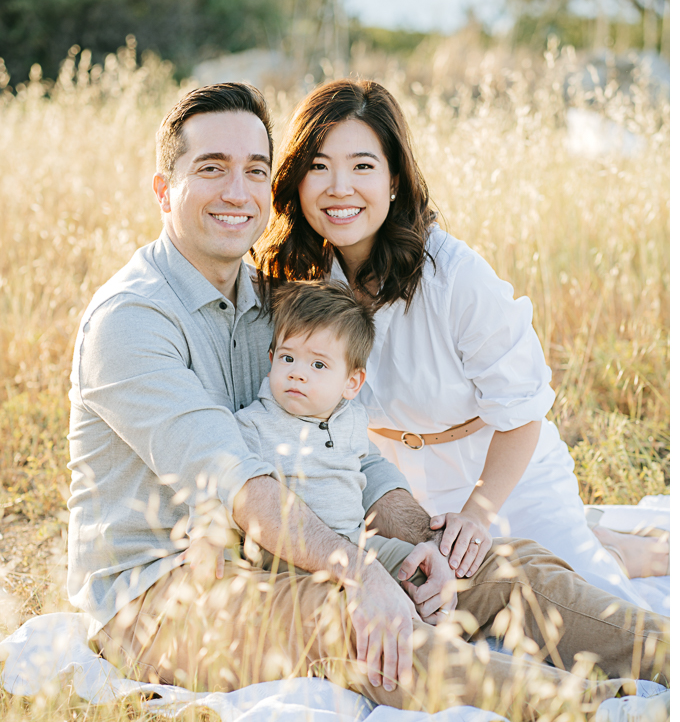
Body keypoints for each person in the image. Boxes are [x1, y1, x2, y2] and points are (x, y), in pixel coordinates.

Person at [66, 81, 669, 722]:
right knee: (358, 623)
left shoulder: (270, 300)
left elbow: (351, 443)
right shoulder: (132, 321)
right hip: (162, 589)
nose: (237, 190)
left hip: (281, 549)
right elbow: (238, 483)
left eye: (255, 171)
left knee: (494, 565)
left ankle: (666, 663)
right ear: (162, 188)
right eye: (211, 168)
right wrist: (362, 573)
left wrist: (421, 543)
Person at [253, 79, 668, 615]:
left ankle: (629, 550)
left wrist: (477, 513)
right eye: (318, 166)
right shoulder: (295, 278)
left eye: (362, 166)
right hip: (391, 486)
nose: (339, 188)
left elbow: (523, 409)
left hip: (498, 471)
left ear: (395, 179)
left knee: (591, 602)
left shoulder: (452, 274)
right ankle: (606, 540)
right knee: (445, 608)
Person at [232, 277, 457, 615]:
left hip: (356, 543)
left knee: (426, 573)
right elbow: (218, 486)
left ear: (352, 383)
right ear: (271, 358)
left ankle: (439, 622)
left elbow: (370, 471)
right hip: (287, 561)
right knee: (361, 610)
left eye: (318, 365)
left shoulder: (351, 420)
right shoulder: (252, 425)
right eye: (287, 358)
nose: (298, 374)